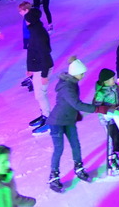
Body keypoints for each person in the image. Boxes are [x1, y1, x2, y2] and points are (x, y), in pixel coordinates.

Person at [46, 57, 113, 193]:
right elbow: (76, 103)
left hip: (69, 119)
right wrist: (98, 109)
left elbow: (73, 103)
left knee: (75, 144)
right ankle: (54, 176)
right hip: (57, 121)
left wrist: (75, 113)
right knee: (59, 148)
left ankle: (79, 167)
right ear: (76, 73)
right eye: (81, 73)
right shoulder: (67, 86)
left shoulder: (72, 82)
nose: (83, 76)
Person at [93, 68, 119, 176]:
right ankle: (111, 158)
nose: (113, 79)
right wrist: (108, 109)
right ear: (105, 81)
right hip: (107, 118)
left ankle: (118, 152)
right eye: (111, 78)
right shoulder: (101, 93)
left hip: (117, 116)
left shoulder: (115, 87)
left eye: (113, 78)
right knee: (111, 138)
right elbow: (96, 106)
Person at [24, 8, 54, 134]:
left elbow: (45, 54)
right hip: (37, 68)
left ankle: (49, 120)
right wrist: (30, 68)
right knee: (39, 95)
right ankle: (44, 115)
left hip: (43, 68)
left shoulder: (39, 33)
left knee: (41, 95)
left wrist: (44, 74)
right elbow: (32, 52)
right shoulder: (34, 31)